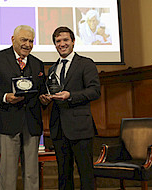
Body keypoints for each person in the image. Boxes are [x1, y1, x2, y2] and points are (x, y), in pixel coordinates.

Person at [39, 26, 101, 190]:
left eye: (65, 40)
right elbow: (50, 92)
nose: (62, 44)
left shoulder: (86, 63)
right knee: (64, 176)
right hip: (59, 130)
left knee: (86, 175)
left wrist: (70, 95)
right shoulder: (53, 69)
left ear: (73, 42)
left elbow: (95, 91)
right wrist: (45, 100)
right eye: (58, 41)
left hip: (80, 129)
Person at [0, 25, 46, 190]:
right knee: (8, 172)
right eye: (24, 40)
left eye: (31, 41)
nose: (27, 44)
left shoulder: (38, 64)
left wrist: (45, 99)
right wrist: (5, 97)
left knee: (32, 173)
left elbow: (41, 92)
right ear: (13, 39)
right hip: (7, 122)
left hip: (32, 124)